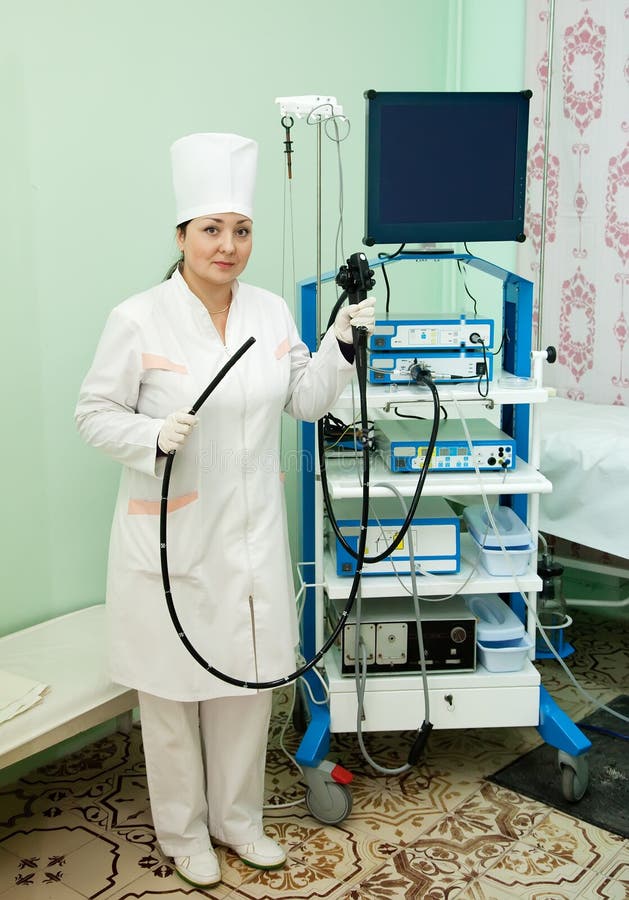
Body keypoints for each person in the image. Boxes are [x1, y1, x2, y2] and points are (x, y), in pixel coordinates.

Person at [75, 132, 375, 889]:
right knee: (173, 694)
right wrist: (149, 434)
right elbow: (92, 412)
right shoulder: (138, 318)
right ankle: (183, 835)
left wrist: (342, 342)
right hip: (171, 536)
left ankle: (237, 821)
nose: (228, 245)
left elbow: (305, 401)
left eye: (240, 230)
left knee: (244, 685)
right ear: (181, 236)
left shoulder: (271, 313)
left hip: (251, 533)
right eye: (211, 229)